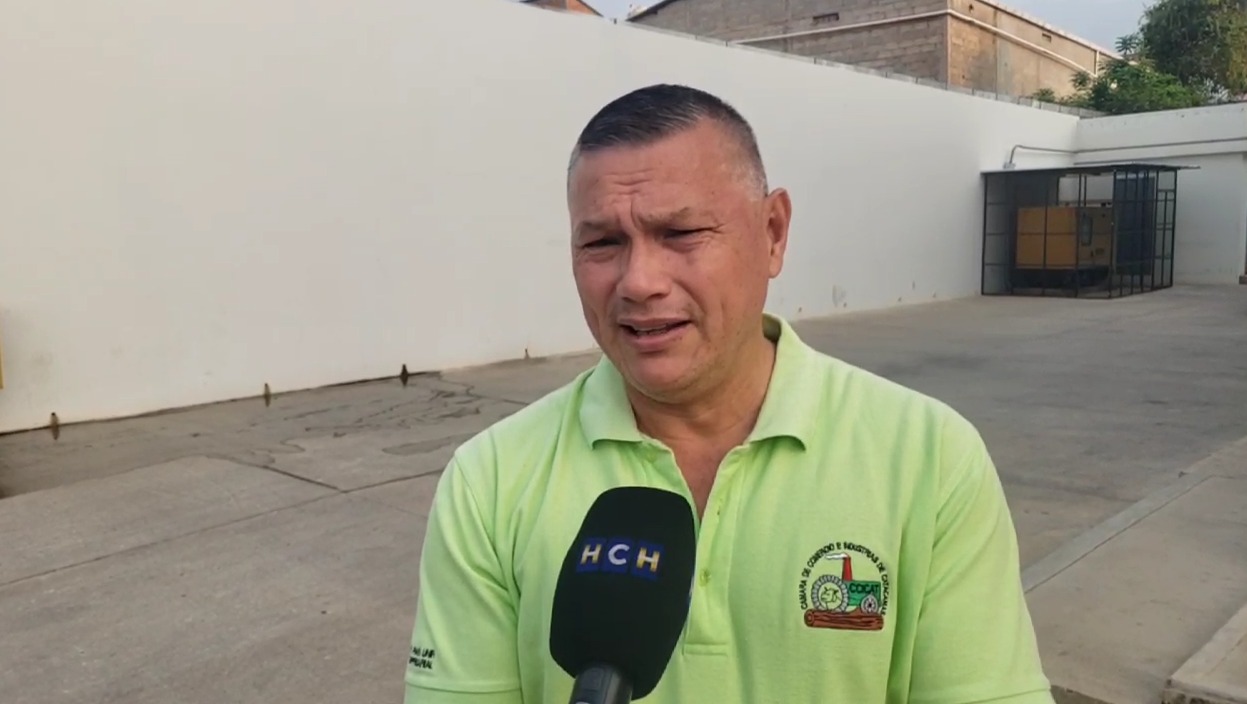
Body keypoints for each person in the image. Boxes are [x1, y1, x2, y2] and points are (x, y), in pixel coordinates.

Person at [402, 83, 1054, 704]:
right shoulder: (490, 481)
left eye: (681, 234)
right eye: (602, 242)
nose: (639, 281)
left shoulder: (928, 460)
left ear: (772, 233)